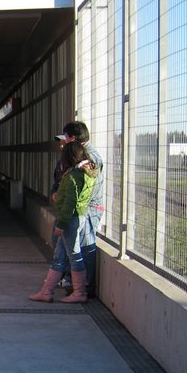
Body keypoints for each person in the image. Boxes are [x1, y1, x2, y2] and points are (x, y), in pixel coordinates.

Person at [29, 140, 99, 303]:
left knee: (73, 255)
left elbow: (70, 202)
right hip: (79, 216)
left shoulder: (73, 176)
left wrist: (61, 225)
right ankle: (47, 291)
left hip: (70, 220)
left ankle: (79, 292)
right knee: (59, 256)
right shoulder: (87, 173)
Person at [52, 121, 104, 296]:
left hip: (85, 210)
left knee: (83, 248)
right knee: (70, 249)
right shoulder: (81, 155)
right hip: (80, 210)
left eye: (65, 138)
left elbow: (79, 192)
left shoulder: (89, 158)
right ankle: (73, 285)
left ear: (73, 138)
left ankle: (84, 288)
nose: (62, 143)